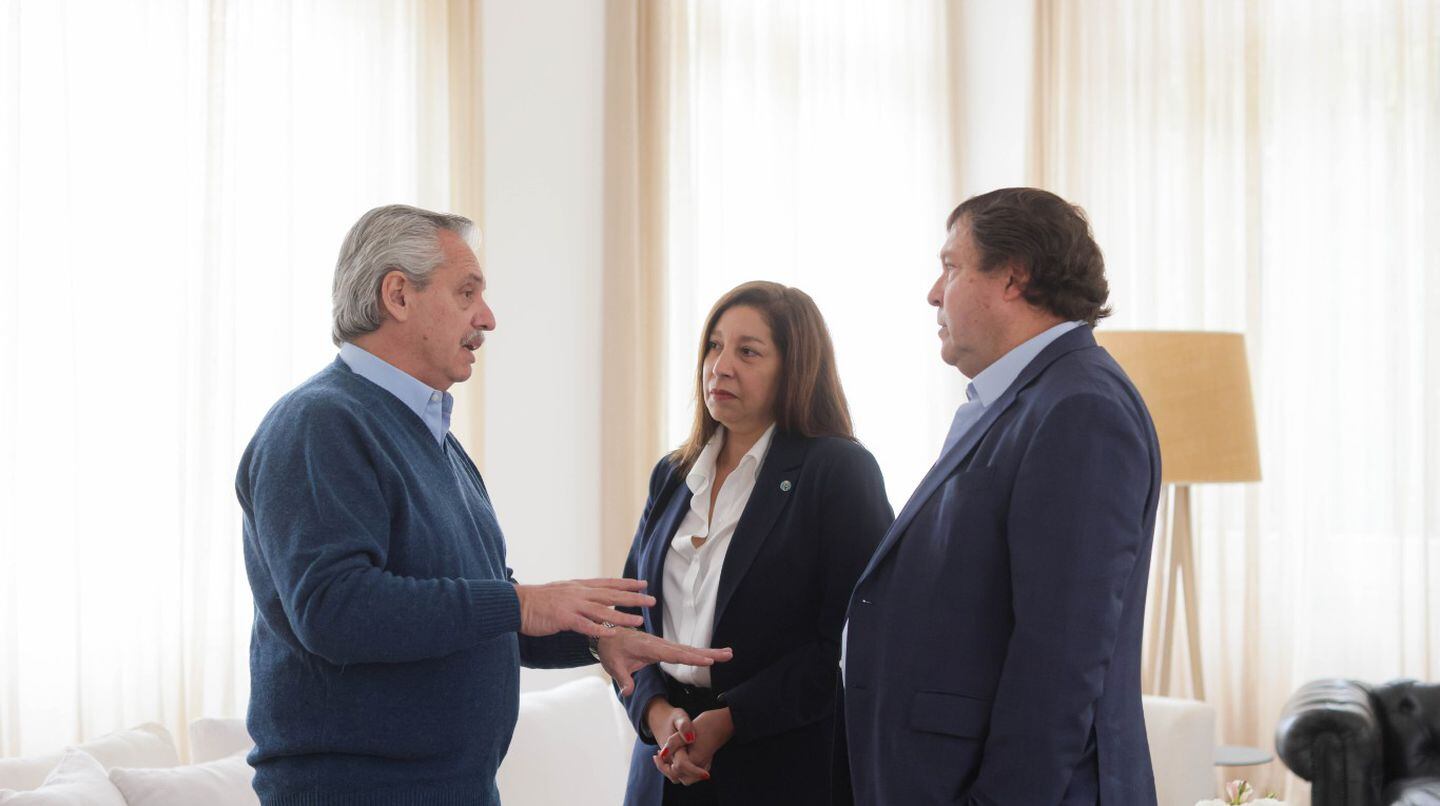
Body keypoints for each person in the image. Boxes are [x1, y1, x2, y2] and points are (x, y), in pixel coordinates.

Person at [236, 204, 730, 805]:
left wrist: (590, 640)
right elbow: (335, 610)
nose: (488, 318)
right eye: (467, 292)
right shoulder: (320, 423)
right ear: (397, 295)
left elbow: (474, 614)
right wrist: (521, 601)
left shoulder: (431, 437)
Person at [839, 188, 1162, 805]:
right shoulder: (1024, 400)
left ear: (1014, 277)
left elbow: (1060, 663)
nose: (935, 292)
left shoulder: (1080, 409)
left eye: (952, 266)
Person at [616, 281, 893, 806]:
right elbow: (627, 617)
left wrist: (731, 718)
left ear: (794, 368)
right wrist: (655, 711)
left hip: (778, 764)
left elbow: (852, 640)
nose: (720, 366)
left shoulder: (838, 471)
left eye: (748, 352)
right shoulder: (673, 475)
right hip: (662, 766)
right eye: (714, 346)